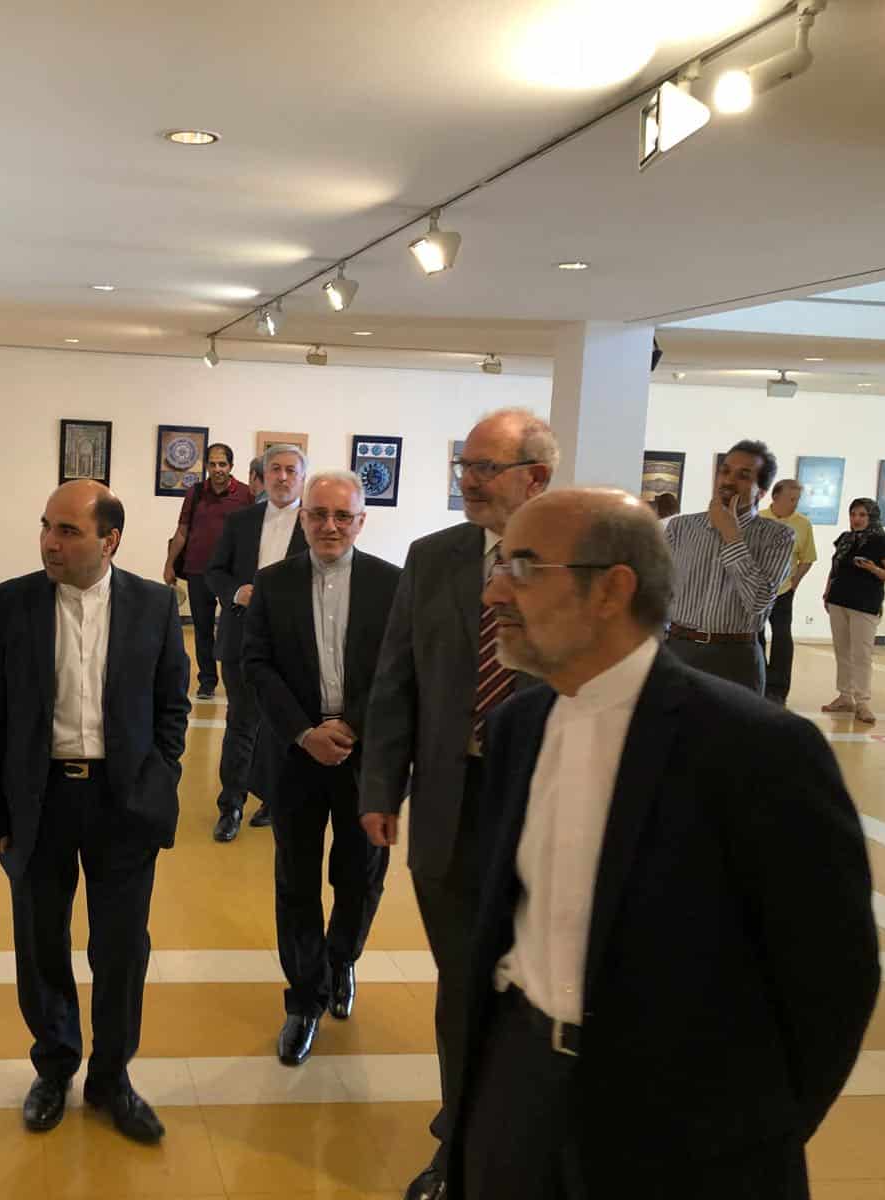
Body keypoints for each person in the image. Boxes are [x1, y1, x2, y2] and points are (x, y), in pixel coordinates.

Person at [447, 487, 878, 1199]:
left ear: (611, 590)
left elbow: (832, 983)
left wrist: (742, 1140)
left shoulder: (757, 749)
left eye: (522, 567)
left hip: (678, 1132)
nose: (494, 591)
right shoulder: (518, 727)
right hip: (518, 1090)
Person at [359, 408, 556, 1200]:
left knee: (534, 986)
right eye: (464, 467)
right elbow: (396, 678)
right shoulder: (434, 556)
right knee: (461, 979)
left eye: (485, 468)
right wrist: (382, 786)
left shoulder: (573, 560)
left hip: (542, 808)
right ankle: (462, 1140)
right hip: (450, 801)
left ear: (536, 477)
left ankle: (523, 1142)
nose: (468, 481)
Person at [0, 480, 190, 1144]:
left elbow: (172, 705)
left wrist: (158, 778)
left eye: (67, 531)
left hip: (123, 801)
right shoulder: (9, 604)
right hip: (39, 800)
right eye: (46, 526)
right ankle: (54, 1066)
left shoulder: (153, 605)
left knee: (122, 949)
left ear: (110, 540)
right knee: (41, 942)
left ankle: (112, 1078)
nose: (49, 543)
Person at [242, 469, 401, 1066]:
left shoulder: (392, 585)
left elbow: (399, 668)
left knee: (361, 874)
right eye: (318, 514)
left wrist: (351, 726)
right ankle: (304, 999)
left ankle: (342, 959)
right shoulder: (273, 583)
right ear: (302, 518)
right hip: (296, 754)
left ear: (361, 521)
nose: (329, 525)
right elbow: (257, 665)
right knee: (296, 879)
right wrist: (305, 732)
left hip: (367, 757)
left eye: (342, 516)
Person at [206, 445, 308, 842]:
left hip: (293, 645)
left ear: (302, 478)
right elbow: (214, 571)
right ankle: (230, 804)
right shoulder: (240, 521)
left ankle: (271, 798)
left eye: (291, 470)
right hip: (242, 638)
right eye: (275, 469)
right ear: (263, 476)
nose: (282, 477)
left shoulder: (315, 522)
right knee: (241, 723)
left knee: (284, 725)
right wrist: (236, 592)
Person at [663, 440, 794, 693]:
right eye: (725, 471)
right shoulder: (682, 527)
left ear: (761, 491)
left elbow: (758, 600)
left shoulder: (778, 536)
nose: (729, 480)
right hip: (679, 651)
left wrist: (731, 535)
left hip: (736, 659)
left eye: (743, 476)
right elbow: (661, 590)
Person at [163, 443, 254, 700]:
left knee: (234, 629)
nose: (217, 469)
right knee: (202, 630)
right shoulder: (195, 493)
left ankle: (236, 679)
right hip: (197, 571)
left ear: (231, 466)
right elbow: (182, 531)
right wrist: (169, 564)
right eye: (212, 464)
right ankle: (207, 681)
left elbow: (254, 534)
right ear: (206, 466)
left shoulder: (245, 495)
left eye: (222, 464)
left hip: (231, 575)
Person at [822, 497, 885, 725]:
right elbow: (835, 568)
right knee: (842, 651)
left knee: (862, 654)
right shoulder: (845, 540)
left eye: (862, 515)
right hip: (839, 601)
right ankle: (845, 697)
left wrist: (873, 568)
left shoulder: (883, 543)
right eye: (853, 514)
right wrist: (827, 592)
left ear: (872, 517)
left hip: (865, 604)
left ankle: (863, 702)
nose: (856, 519)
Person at [759, 478, 818, 705]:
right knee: (755, 637)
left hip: (784, 591)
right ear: (775, 497)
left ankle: (778, 691)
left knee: (782, 638)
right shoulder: (759, 519)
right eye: (791, 499)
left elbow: (807, 558)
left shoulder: (803, 524)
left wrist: (795, 582)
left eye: (797, 499)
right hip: (757, 591)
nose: (795, 504)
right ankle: (760, 683)